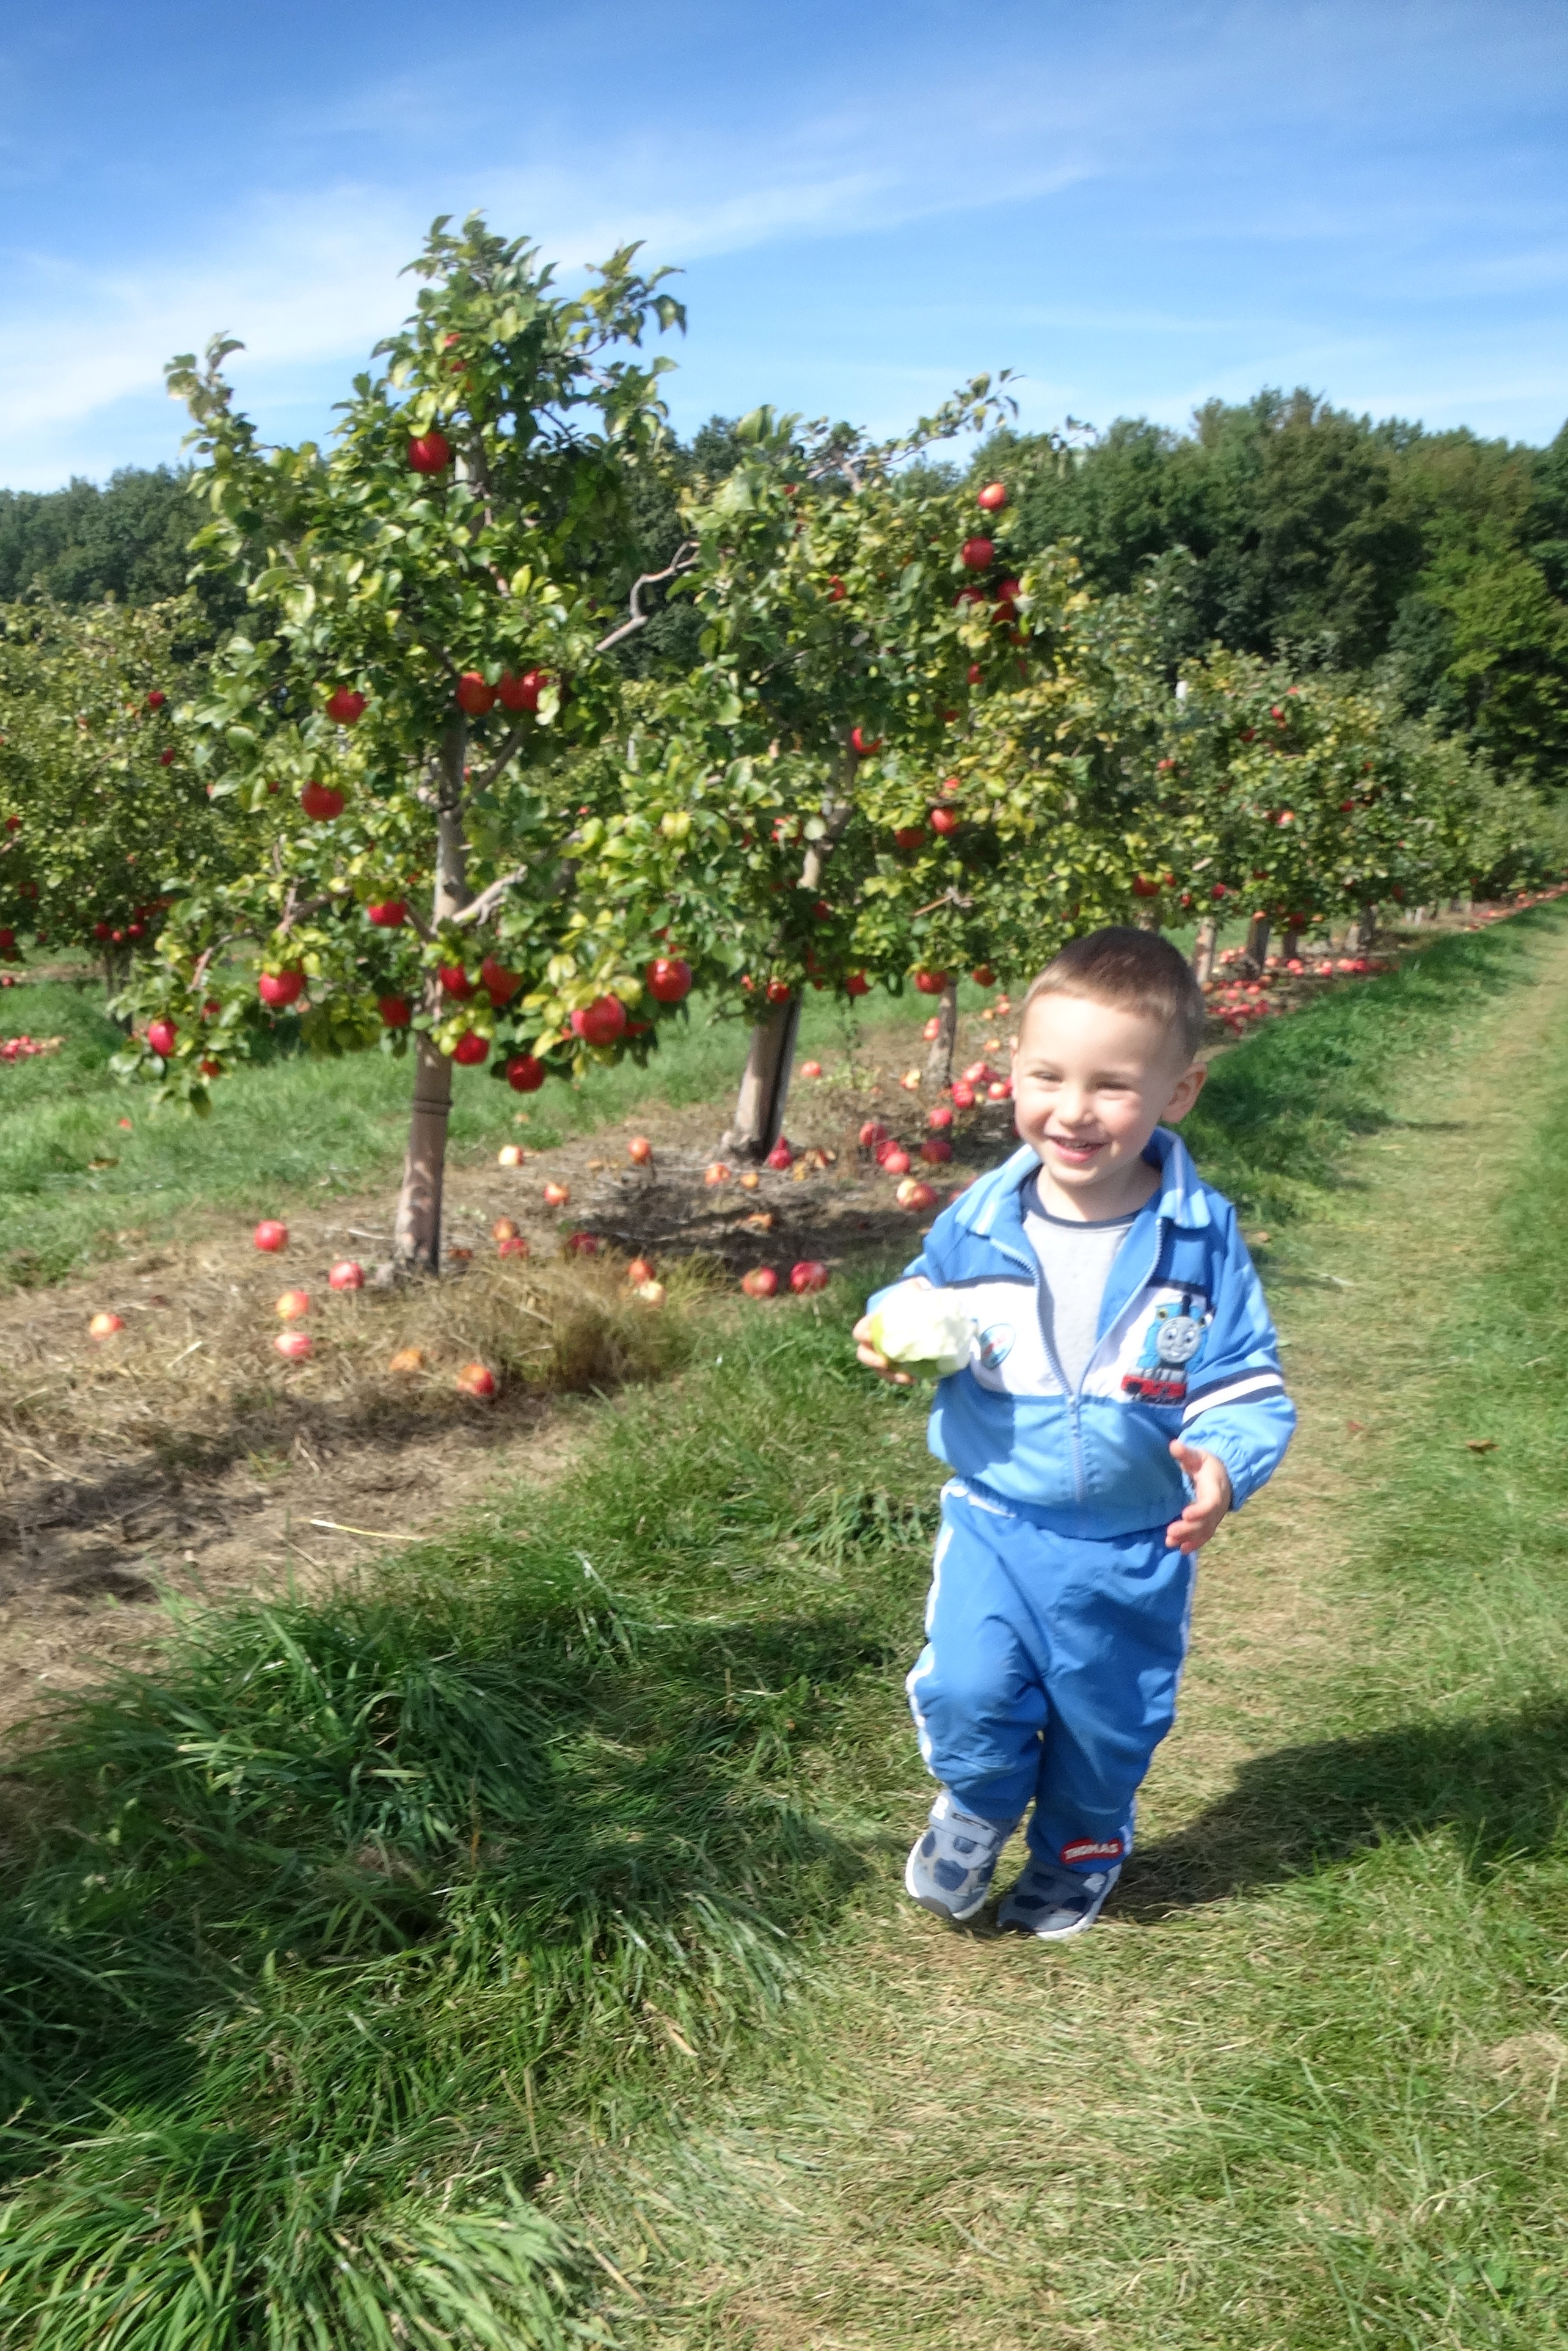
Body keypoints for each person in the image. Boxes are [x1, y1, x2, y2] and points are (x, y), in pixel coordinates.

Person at [853, 927, 1295, 1940]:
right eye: (1047, 1076)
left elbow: (1244, 1376)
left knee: (1108, 1727)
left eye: (1113, 1085)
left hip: (1134, 1545)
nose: (1073, 1110)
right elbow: (926, 1295)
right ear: (1013, 1071)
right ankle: (979, 1804)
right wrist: (892, 1327)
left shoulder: (1199, 1238)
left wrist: (1224, 1463)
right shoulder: (978, 1222)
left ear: (1179, 1092)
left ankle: (1080, 1849)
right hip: (998, 1518)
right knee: (968, 1690)